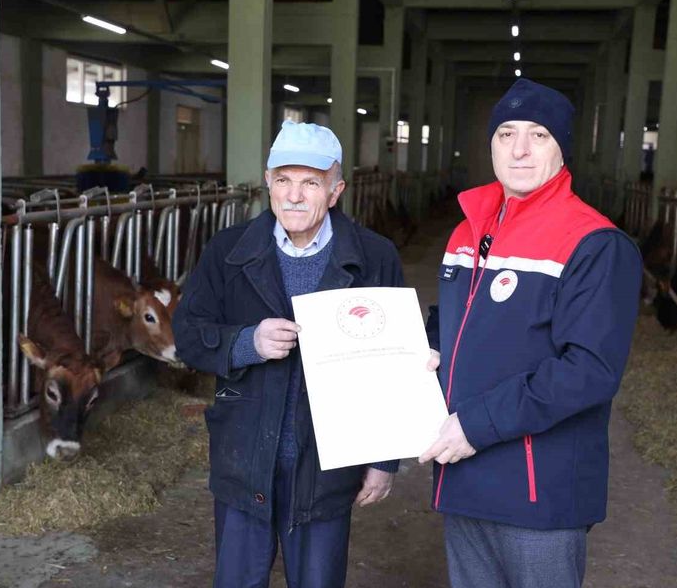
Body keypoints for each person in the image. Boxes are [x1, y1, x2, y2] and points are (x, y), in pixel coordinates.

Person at [419, 78, 642, 587]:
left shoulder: (594, 243)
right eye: (505, 134)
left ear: (562, 148)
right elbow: (457, 320)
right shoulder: (467, 231)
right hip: (462, 475)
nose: (518, 149)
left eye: (538, 135)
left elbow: (589, 370)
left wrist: (477, 425)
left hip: (537, 488)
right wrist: (427, 343)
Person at [173, 120, 404, 588]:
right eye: (283, 180)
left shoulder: (375, 256)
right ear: (267, 182)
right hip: (244, 458)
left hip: (325, 467)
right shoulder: (227, 252)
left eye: (310, 183)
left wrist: (383, 460)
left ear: (335, 191)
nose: (294, 196)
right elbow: (188, 335)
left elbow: (392, 365)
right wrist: (246, 343)